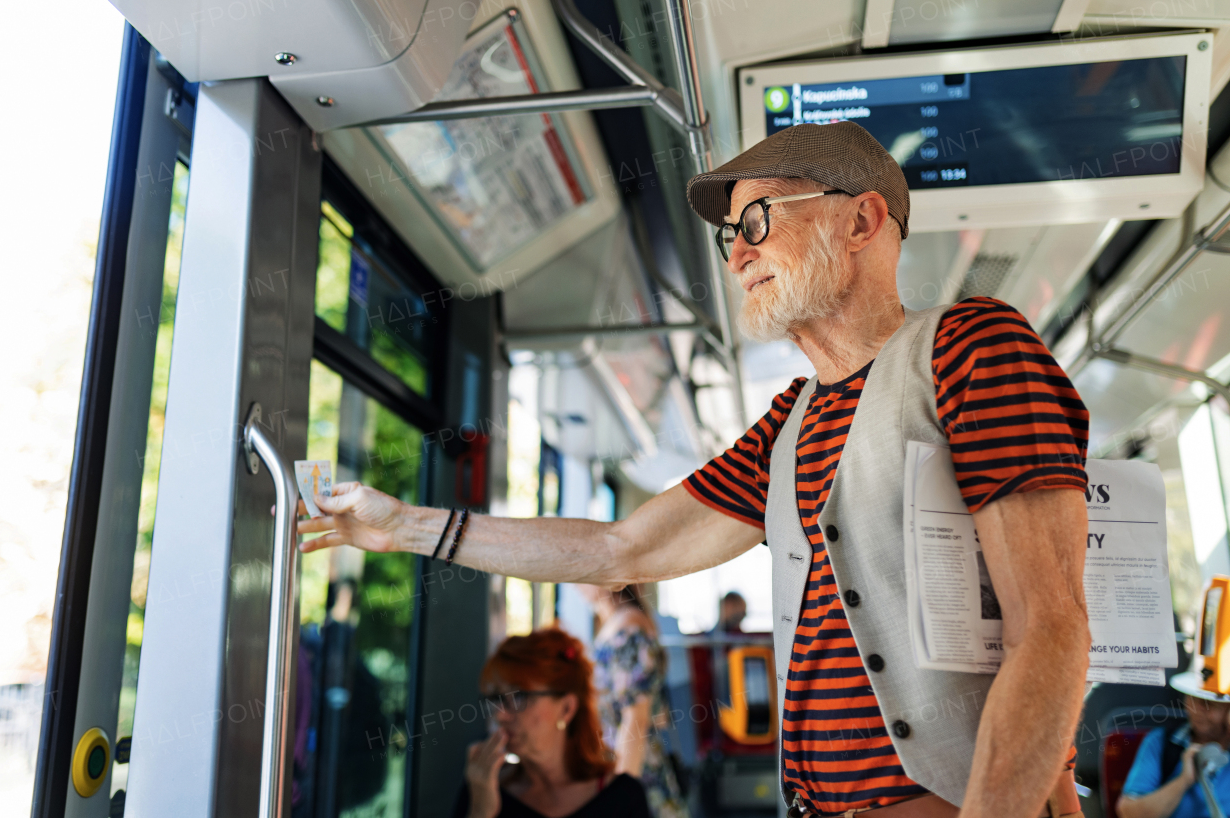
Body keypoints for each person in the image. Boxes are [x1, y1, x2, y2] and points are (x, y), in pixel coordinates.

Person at [302, 120, 1092, 818]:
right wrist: (403, 525)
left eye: (758, 218)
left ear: (862, 218)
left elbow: (1051, 627)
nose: (739, 250)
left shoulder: (968, 348)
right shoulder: (792, 420)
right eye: (729, 236)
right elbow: (620, 548)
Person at [453, 628, 650, 818]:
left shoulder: (622, 799)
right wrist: (479, 813)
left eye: (519, 697)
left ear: (566, 709)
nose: (500, 715)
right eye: (496, 699)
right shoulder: (484, 789)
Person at [576, 583, 689, 818]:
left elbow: (635, 718)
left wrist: (621, 795)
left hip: (634, 767)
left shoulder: (628, 628)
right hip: (621, 765)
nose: (576, 584)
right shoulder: (614, 624)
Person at [1117, 671, 1230, 818]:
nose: (1198, 710)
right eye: (1193, 699)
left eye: (1211, 705)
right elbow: (1129, 812)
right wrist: (1184, 780)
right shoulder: (1160, 742)